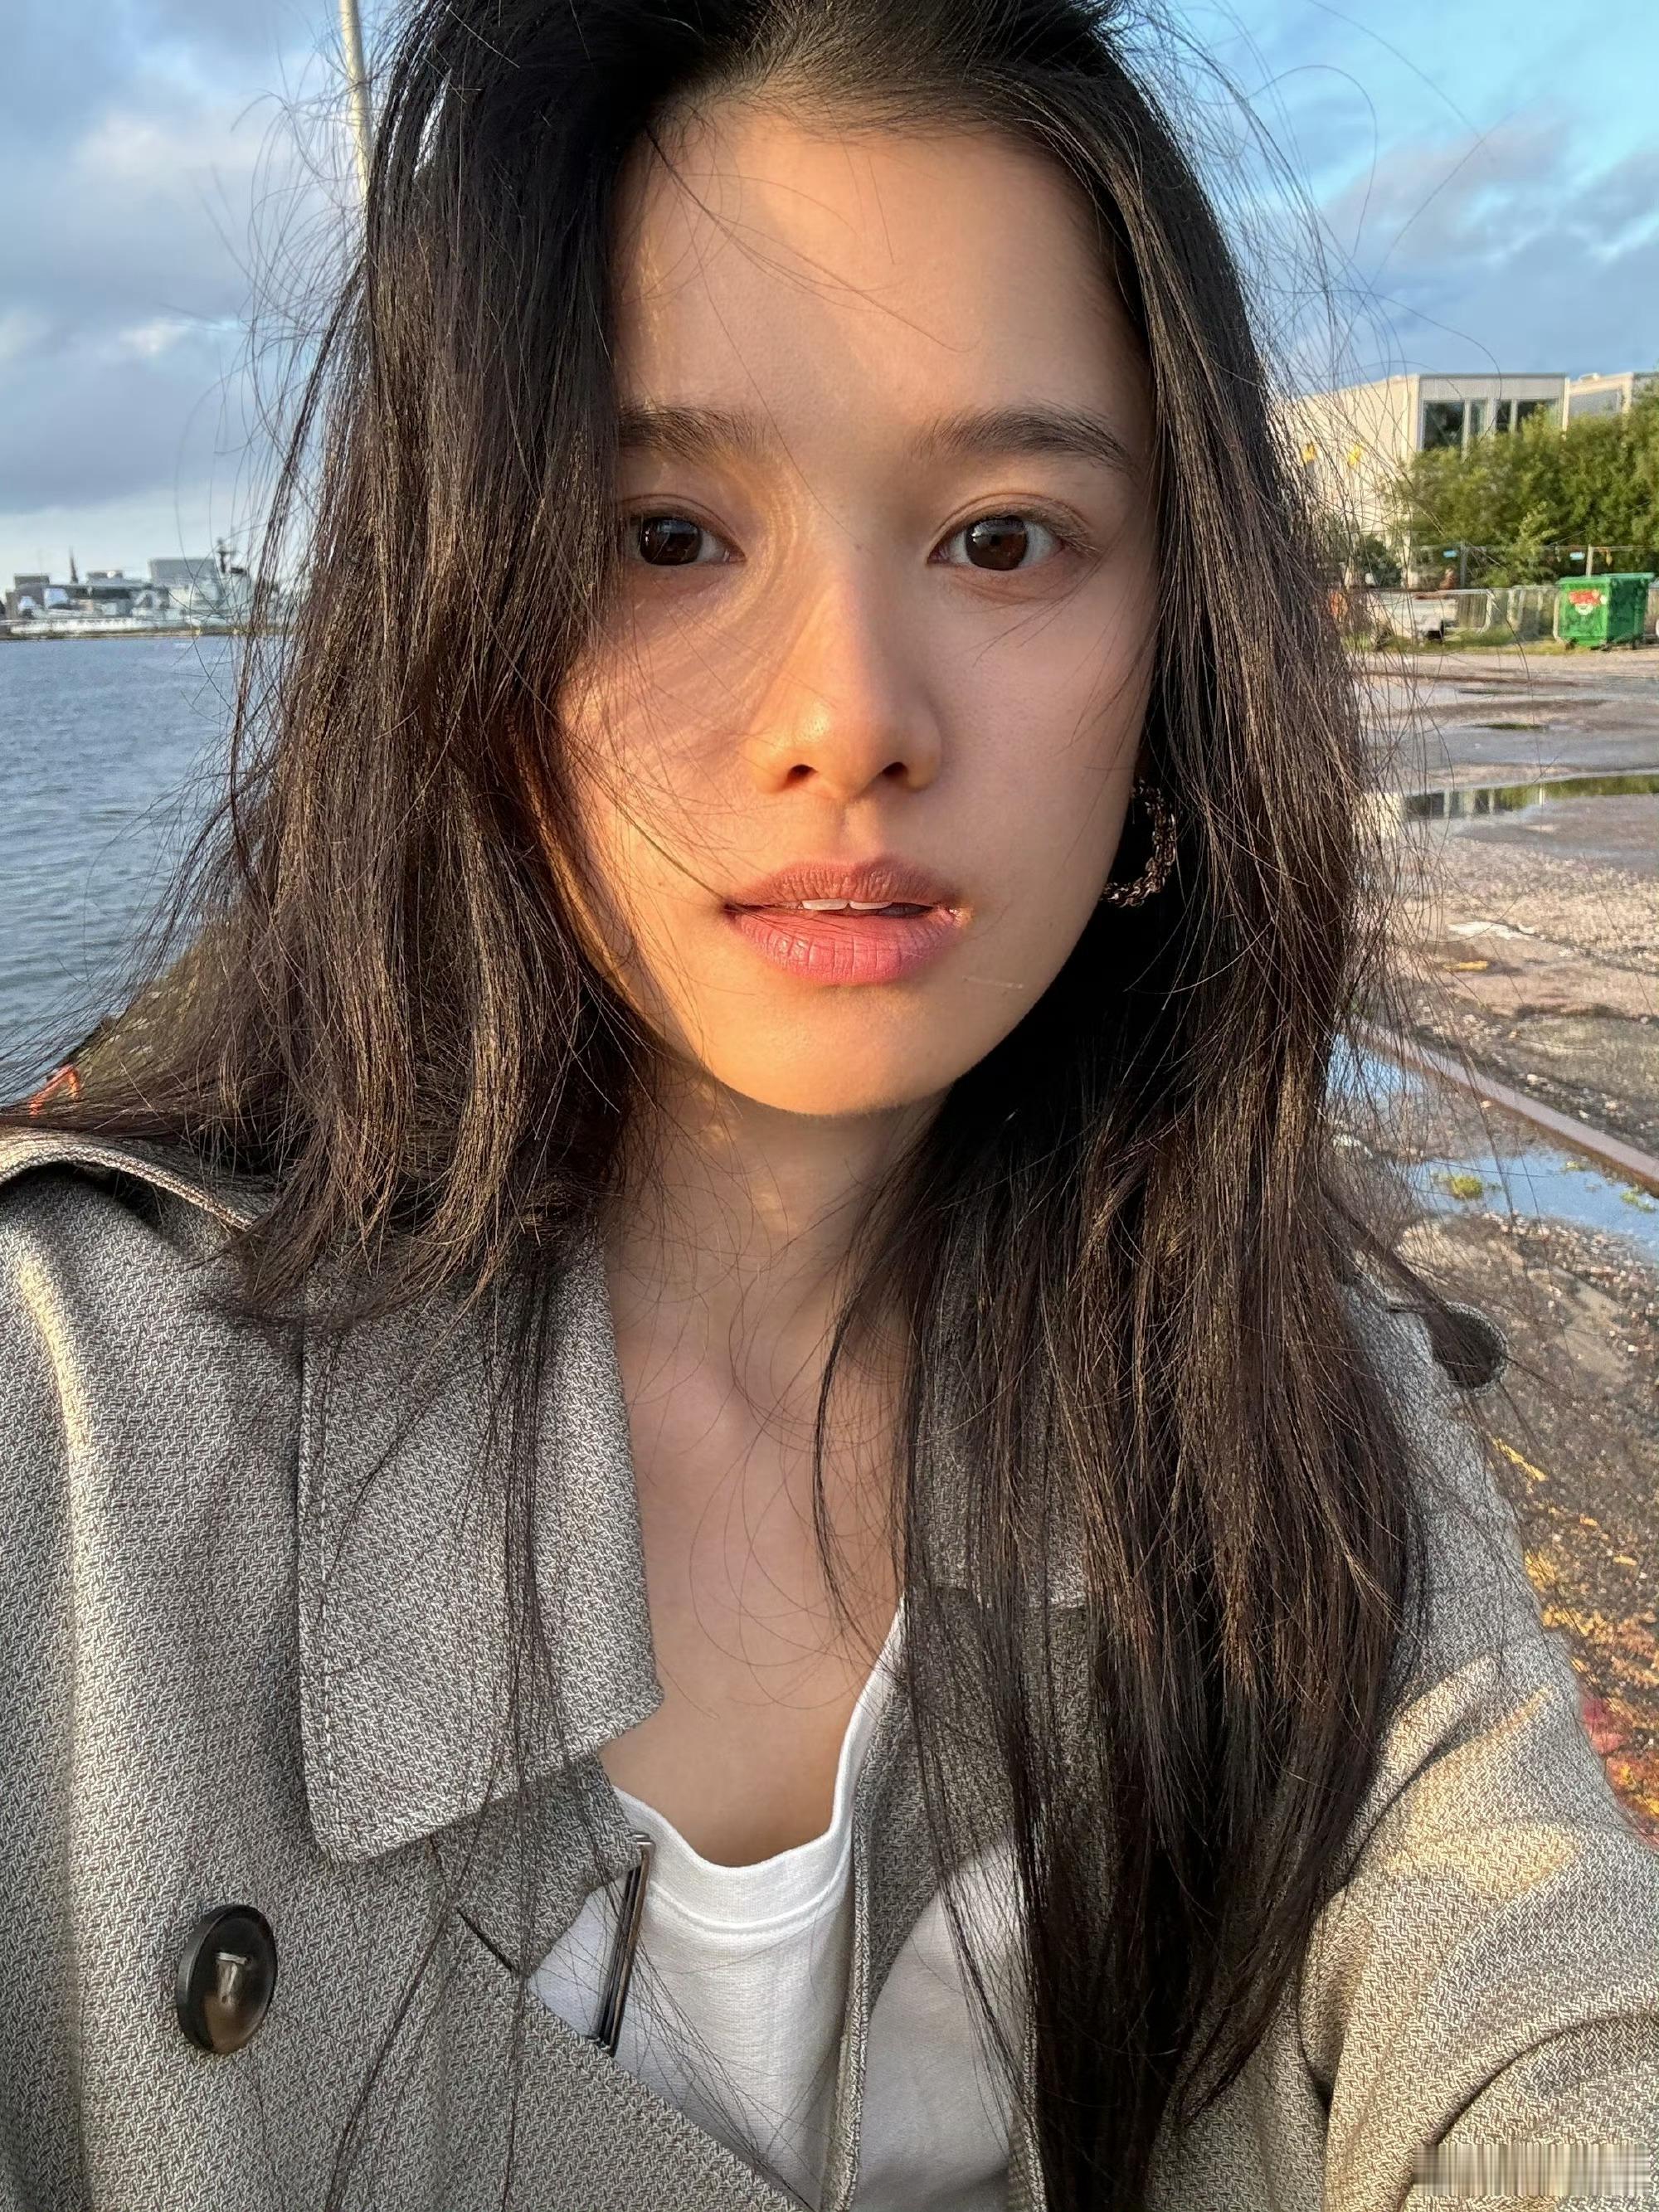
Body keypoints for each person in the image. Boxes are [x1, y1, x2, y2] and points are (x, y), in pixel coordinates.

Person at [2, 2, 1656, 2207]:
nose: (851, 713)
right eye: (665, 532)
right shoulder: (74, 1440)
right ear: (459, 620)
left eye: (1007, 539)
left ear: (1177, 649)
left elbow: (1553, 2018)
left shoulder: (1292, 1412)